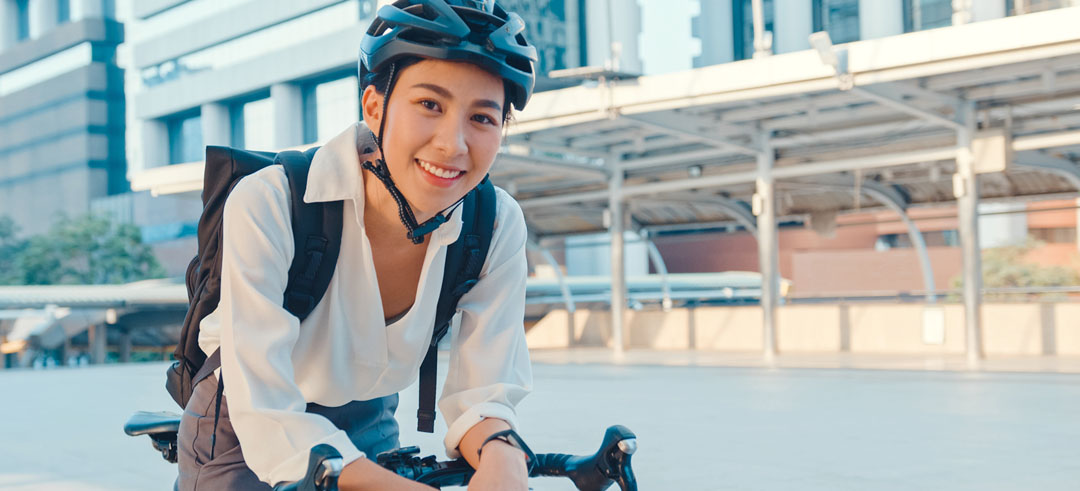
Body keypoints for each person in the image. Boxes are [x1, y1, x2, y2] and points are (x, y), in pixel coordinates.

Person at [175, 1, 539, 489]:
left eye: (482, 118)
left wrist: (505, 460)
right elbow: (263, 409)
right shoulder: (274, 201)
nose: (453, 144)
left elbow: (483, 391)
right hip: (242, 421)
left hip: (368, 413)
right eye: (430, 105)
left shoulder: (493, 224)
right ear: (374, 106)